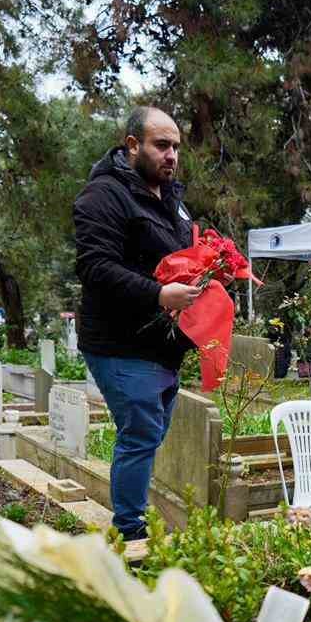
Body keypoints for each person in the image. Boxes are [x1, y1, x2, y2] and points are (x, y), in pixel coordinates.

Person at [72, 105, 198, 539]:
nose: (171, 155)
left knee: (150, 433)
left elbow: (181, 255)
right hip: (119, 343)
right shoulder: (103, 195)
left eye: (176, 147)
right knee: (141, 432)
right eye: (161, 145)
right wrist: (158, 294)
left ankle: (132, 519)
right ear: (132, 145)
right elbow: (95, 267)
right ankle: (131, 530)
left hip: (162, 345)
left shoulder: (172, 200)